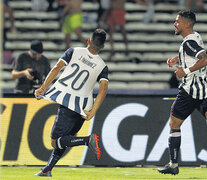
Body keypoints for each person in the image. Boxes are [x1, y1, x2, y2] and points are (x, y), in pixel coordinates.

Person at [34, 28, 108, 177]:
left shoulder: (73, 51)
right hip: (84, 106)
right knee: (66, 140)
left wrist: (43, 88)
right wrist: (93, 111)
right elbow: (103, 90)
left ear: (88, 40)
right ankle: (47, 170)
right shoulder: (102, 66)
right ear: (103, 47)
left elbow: (56, 68)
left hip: (67, 101)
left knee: (55, 142)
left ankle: (88, 140)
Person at [158, 10, 207, 175]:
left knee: (174, 125)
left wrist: (184, 71)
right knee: (174, 124)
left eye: (177, 21)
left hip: (189, 91)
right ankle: (172, 165)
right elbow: (195, 54)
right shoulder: (195, 37)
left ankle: (173, 165)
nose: (174, 23)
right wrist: (177, 59)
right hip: (204, 90)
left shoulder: (188, 42)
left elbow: (204, 59)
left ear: (187, 24)